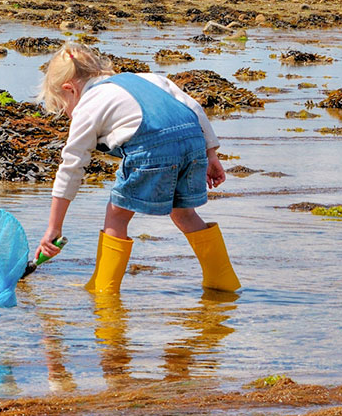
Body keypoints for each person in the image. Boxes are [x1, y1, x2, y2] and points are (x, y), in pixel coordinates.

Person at [33, 43, 241, 295]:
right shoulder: (146, 78)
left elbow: (71, 167)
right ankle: (224, 284)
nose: (67, 113)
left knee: (117, 214)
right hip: (193, 141)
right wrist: (211, 153)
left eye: (63, 106)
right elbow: (194, 108)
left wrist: (54, 227)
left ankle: (104, 291)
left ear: (70, 89)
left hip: (152, 147)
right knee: (184, 212)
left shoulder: (88, 105)